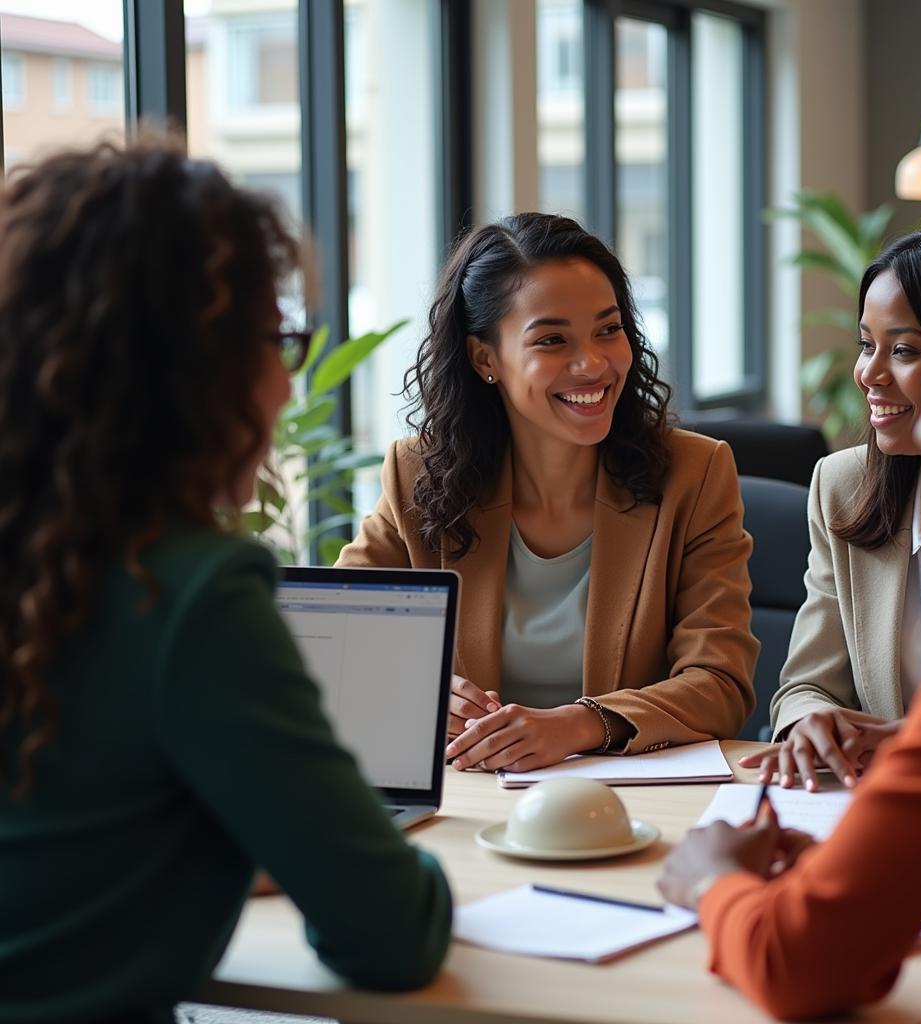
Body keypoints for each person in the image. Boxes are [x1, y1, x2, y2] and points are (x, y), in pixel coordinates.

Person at [0, 139, 451, 1024]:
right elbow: (392, 933)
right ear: (188, 371)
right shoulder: (193, 593)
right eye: (272, 339)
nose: (287, 383)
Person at [657, 202, 921, 1020]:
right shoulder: (850, 487)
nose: (883, 388)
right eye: (869, 346)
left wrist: (713, 880)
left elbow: (800, 964)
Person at [339, 212, 759, 773]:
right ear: (486, 359)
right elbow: (340, 639)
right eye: (553, 340)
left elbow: (720, 684)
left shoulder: (695, 472)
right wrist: (422, 692)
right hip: (470, 799)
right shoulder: (419, 475)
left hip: (625, 809)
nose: (593, 364)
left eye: (609, 330)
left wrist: (582, 724)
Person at [741, 225, 921, 791]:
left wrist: (914, 740)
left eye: (905, 350)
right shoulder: (844, 485)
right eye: (867, 345)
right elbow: (802, 686)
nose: (869, 373)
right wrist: (809, 720)